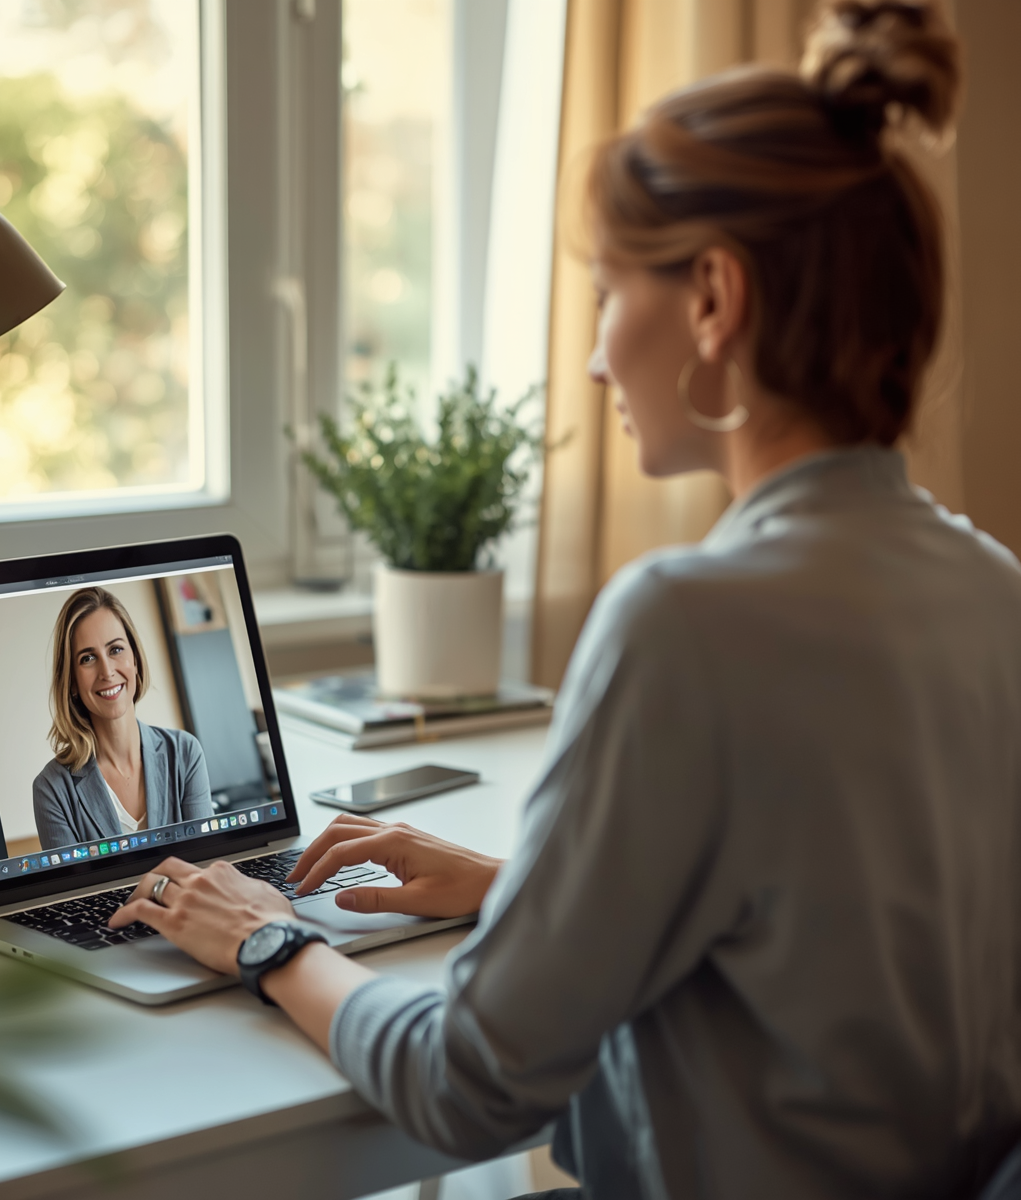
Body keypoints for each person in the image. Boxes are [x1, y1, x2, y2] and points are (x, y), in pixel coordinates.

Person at [110, 3, 1021, 1196]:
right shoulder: (990, 588)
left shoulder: (687, 622)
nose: (594, 358)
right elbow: (832, 937)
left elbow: (467, 1087)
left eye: (606, 292)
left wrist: (267, 937)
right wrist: (526, 893)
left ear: (712, 301)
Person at [33, 587, 212, 851]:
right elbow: (78, 892)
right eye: (88, 658)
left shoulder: (185, 753)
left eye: (115, 649)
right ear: (71, 681)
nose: (107, 671)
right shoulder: (51, 789)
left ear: (135, 660)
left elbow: (207, 868)